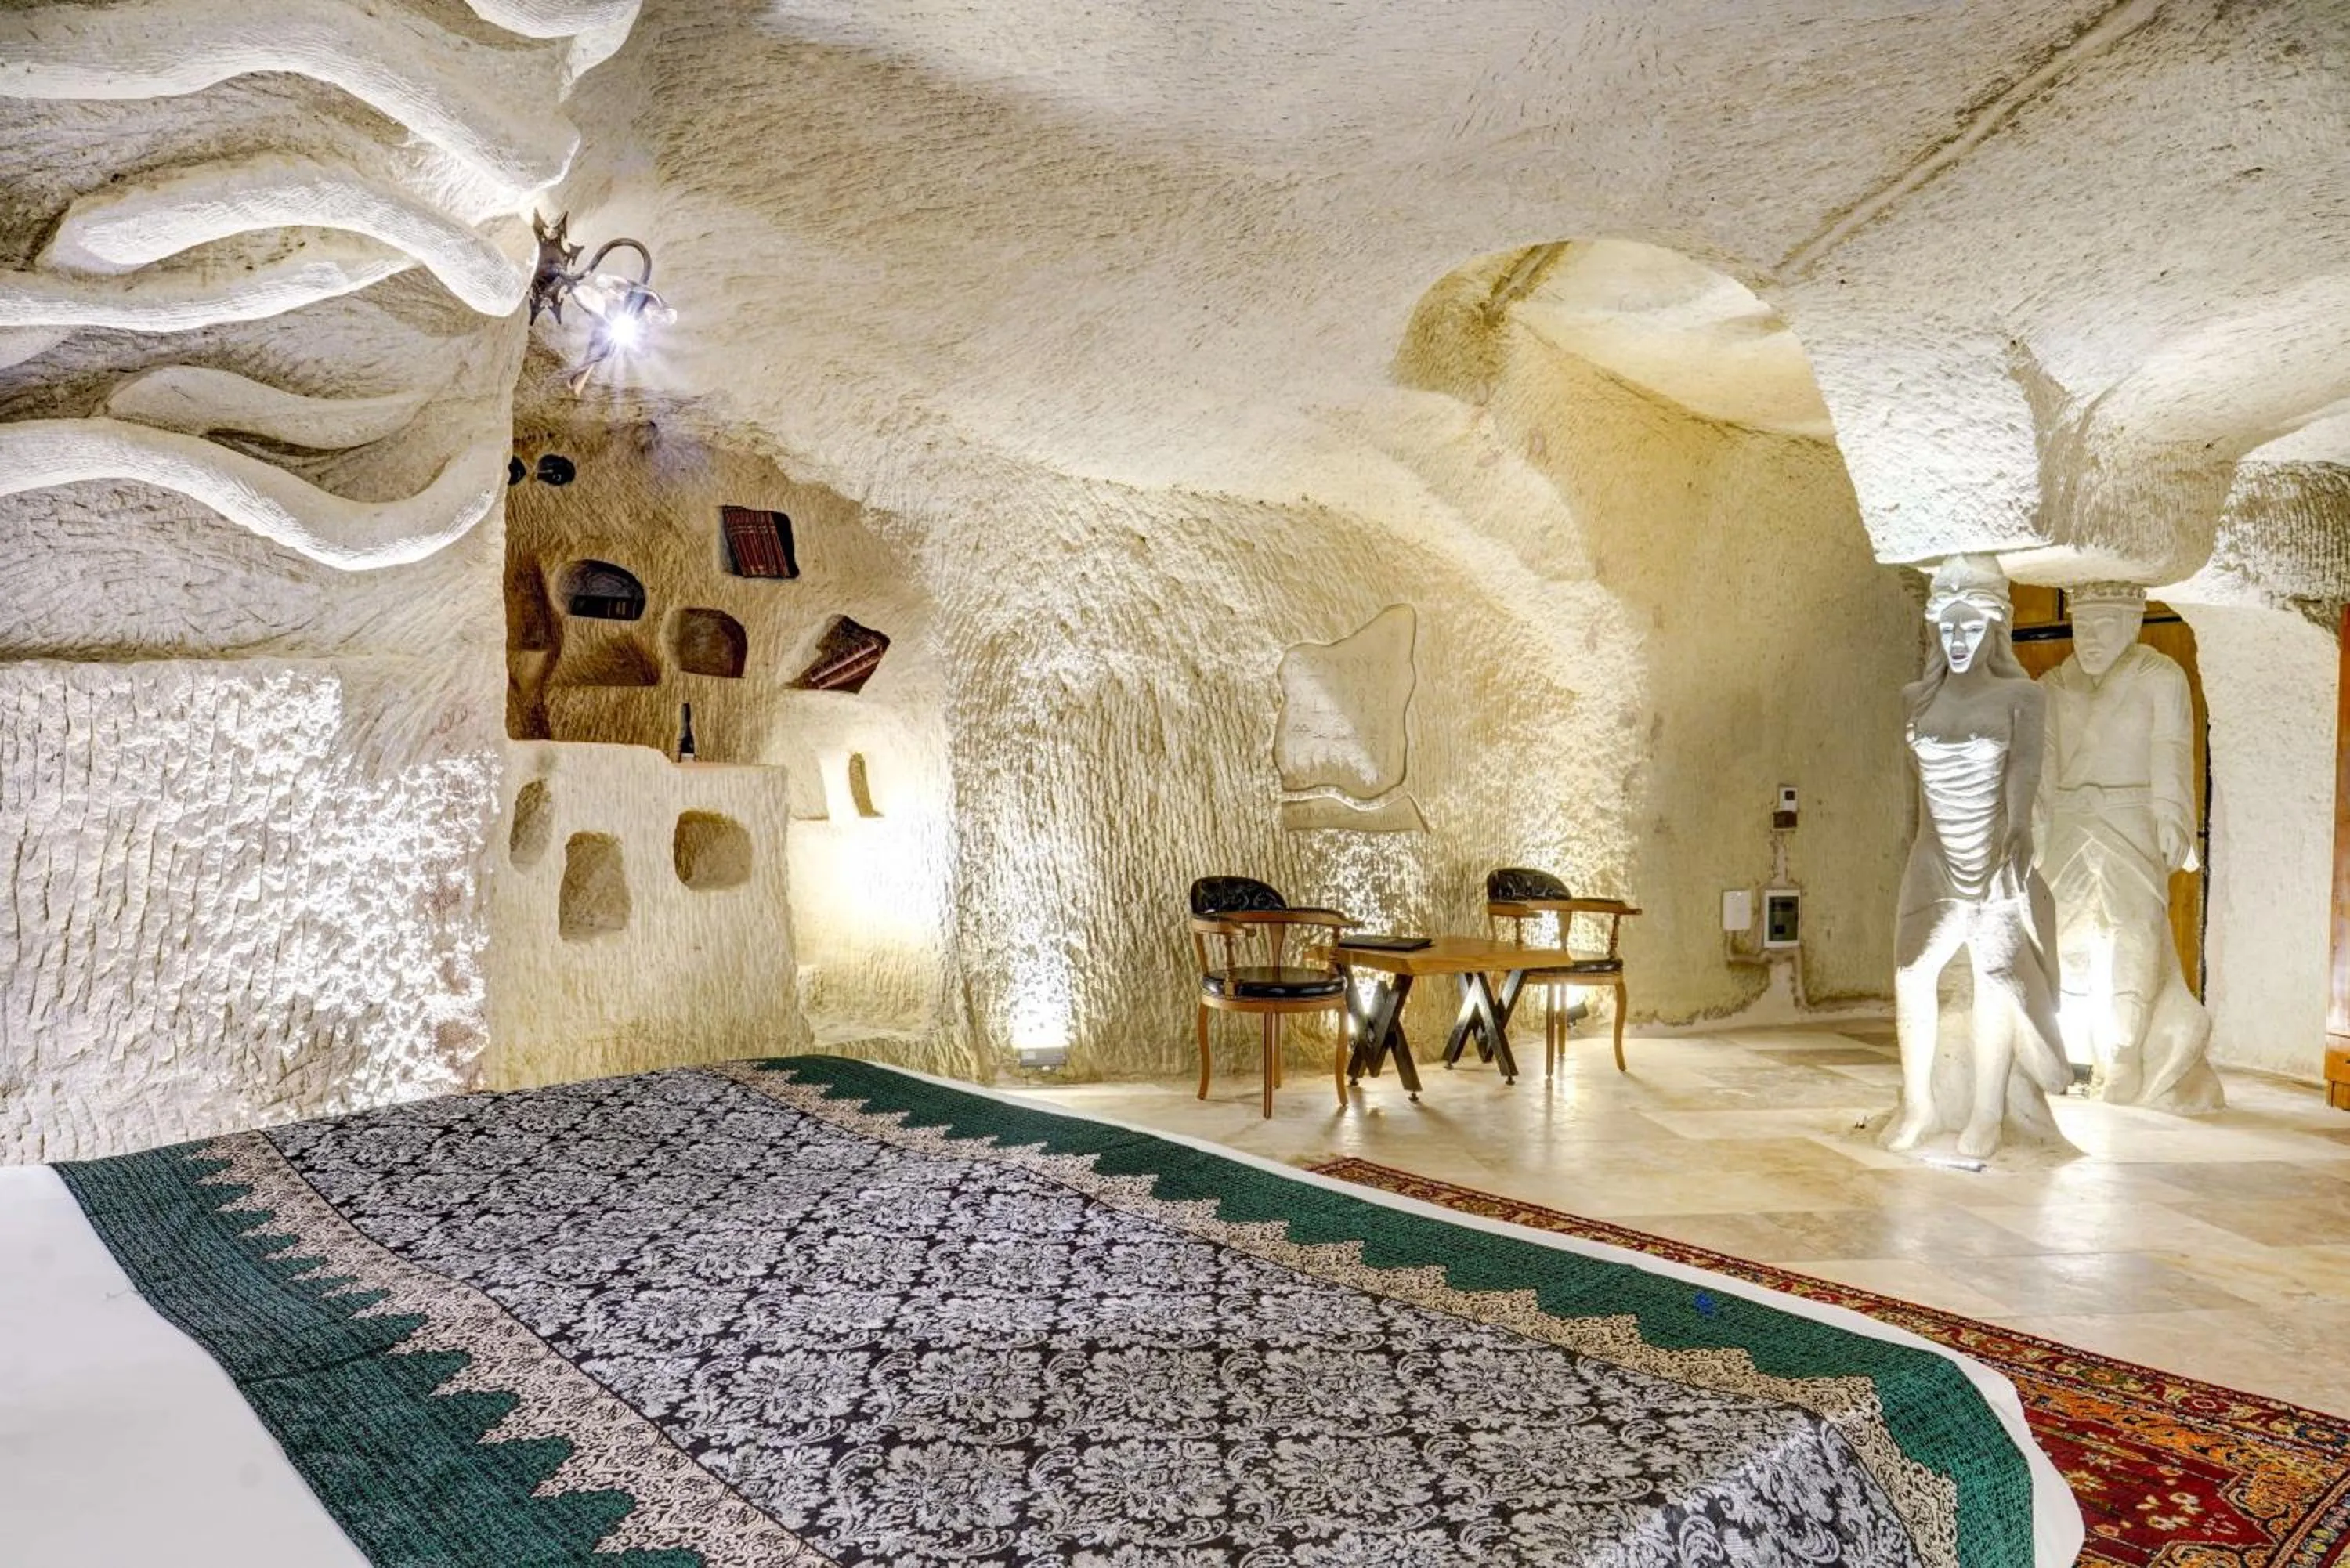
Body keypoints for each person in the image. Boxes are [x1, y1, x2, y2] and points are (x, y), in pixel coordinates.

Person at [1882, 555, 2070, 1159]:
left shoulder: (2021, 695)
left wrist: (2019, 829)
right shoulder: (1917, 698)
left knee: (1997, 979)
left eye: (1971, 627)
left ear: (1995, 629)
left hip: (1992, 851)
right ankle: (1919, 1104)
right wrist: (1918, 850)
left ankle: (1988, 1111)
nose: (1958, 641)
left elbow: (2025, 767)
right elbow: (1917, 792)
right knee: (1912, 971)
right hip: (1934, 853)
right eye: (1948, 628)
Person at [2034, 584, 2223, 1112]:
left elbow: (2170, 747)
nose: (2091, 638)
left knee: (2132, 932)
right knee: (2064, 933)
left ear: (2133, 624)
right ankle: (2071, 1050)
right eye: (2083, 625)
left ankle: (2124, 1052)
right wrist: (2035, 823)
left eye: (2105, 625)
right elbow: (2041, 762)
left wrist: (2172, 814)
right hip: (2069, 822)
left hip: (2130, 819)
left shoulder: (2159, 677)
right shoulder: (2052, 686)